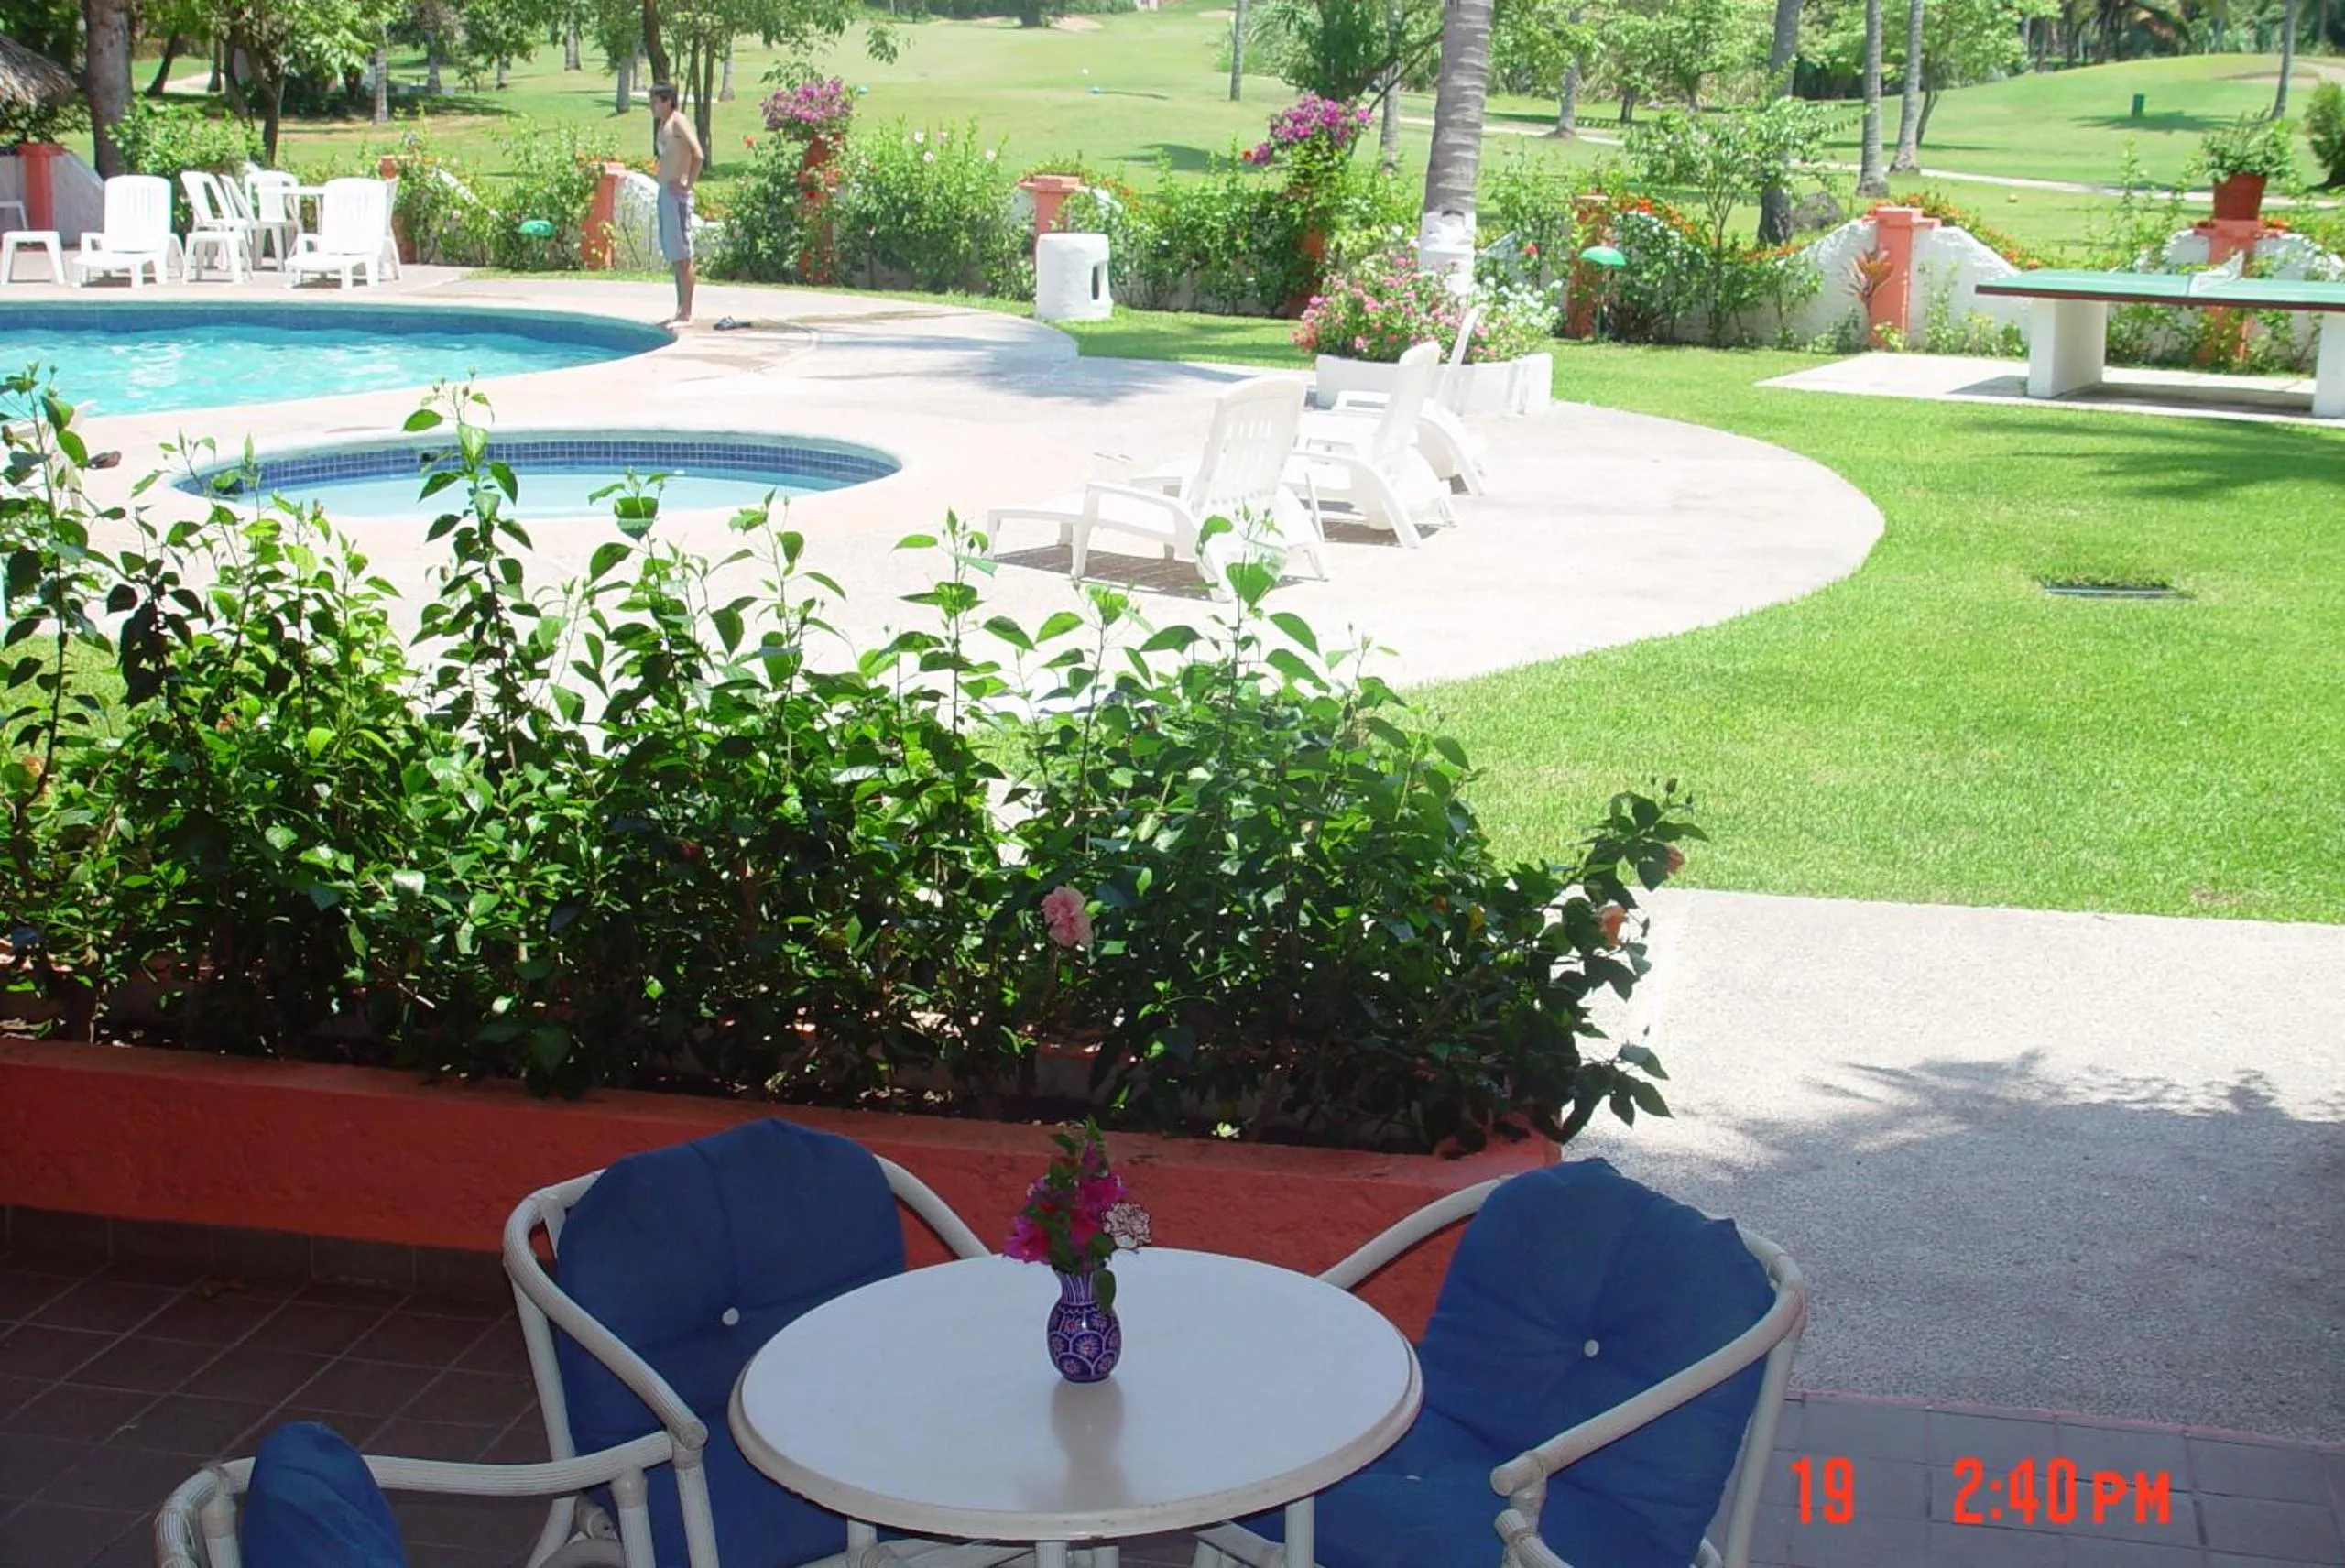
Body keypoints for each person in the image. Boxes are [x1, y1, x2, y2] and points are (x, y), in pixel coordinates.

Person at [649, 83, 704, 327]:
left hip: (677, 196)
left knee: (683, 256)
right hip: (665, 194)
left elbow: (698, 154)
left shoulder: (679, 121)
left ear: (667, 101)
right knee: (674, 255)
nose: (652, 106)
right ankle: (680, 308)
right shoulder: (664, 124)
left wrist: (687, 184)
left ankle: (686, 312)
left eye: (655, 102)